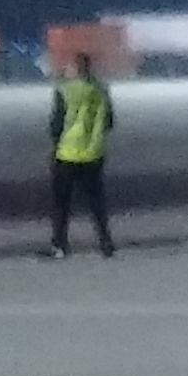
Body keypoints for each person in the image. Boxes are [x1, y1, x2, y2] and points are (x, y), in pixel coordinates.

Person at [45, 55, 115, 260]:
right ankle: (105, 242)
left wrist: (55, 144)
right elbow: (109, 121)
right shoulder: (101, 90)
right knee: (96, 202)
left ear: (74, 69)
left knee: (61, 203)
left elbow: (56, 123)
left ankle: (59, 244)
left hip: (66, 153)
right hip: (93, 153)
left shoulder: (64, 90)